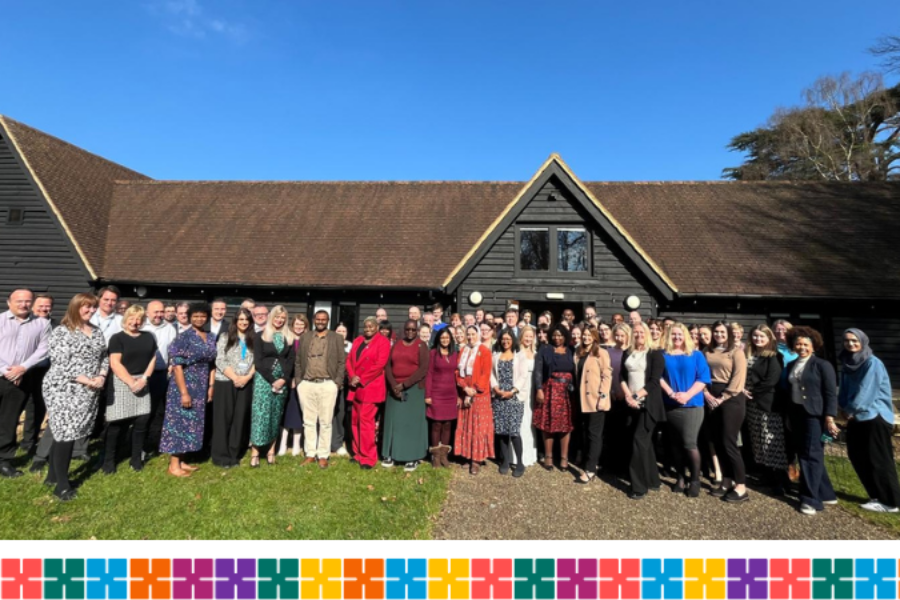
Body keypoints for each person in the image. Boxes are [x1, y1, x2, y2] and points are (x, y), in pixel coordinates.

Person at [41, 293, 108, 500]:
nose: (91, 310)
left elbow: (103, 356)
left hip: (88, 390)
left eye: (93, 307)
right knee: (66, 433)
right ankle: (61, 485)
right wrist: (87, 380)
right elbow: (61, 363)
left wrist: (102, 375)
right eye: (86, 307)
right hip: (64, 388)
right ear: (75, 307)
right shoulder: (62, 332)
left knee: (67, 431)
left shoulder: (96, 332)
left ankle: (52, 476)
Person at [838, 328, 900, 513]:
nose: (851, 344)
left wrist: (849, 410)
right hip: (856, 416)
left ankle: (891, 502)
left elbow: (867, 391)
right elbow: (844, 388)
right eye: (847, 340)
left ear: (863, 341)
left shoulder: (872, 363)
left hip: (875, 416)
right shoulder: (847, 362)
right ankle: (876, 495)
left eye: (854, 340)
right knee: (858, 456)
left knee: (878, 459)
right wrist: (842, 407)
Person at [785, 326, 839, 515]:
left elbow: (830, 393)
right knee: (807, 453)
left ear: (813, 346)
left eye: (806, 344)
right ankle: (826, 493)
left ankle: (810, 499)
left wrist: (830, 417)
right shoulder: (791, 365)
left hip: (815, 416)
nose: (802, 347)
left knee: (810, 455)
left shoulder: (823, 365)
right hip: (797, 414)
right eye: (798, 344)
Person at [160, 302, 217, 478]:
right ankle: (173, 464)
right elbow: (177, 367)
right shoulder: (183, 338)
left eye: (202, 315)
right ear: (190, 317)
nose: (199, 319)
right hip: (183, 385)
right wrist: (184, 392)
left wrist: (211, 386)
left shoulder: (211, 336)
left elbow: (212, 364)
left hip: (202, 385)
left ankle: (183, 460)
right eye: (195, 316)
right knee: (179, 424)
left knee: (192, 424)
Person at [0, 289, 51, 478]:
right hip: (2, 373)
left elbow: (43, 349)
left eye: (27, 301)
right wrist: (6, 370)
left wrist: (22, 368)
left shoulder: (41, 324)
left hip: (21, 378)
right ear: (9, 302)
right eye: (19, 301)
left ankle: (3, 460)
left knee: (9, 420)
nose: (24, 304)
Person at [104, 305, 157, 474]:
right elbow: (115, 363)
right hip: (122, 382)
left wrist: (144, 379)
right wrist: (130, 382)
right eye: (132, 318)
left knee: (141, 423)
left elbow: (153, 359)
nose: (135, 322)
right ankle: (109, 461)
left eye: (139, 319)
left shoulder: (149, 337)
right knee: (116, 424)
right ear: (125, 319)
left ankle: (136, 460)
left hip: (143, 381)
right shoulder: (117, 338)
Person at [660, 322, 711, 498]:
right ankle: (680, 477)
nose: (677, 337)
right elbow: (658, 376)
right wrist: (671, 393)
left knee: (689, 443)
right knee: (675, 444)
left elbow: (703, 378)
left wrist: (687, 395)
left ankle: (695, 479)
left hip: (693, 405)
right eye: (673, 334)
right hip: (671, 404)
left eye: (680, 334)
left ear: (686, 336)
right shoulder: (663, 354)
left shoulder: (696, 355)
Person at [702, 321, 749, 503]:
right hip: (710, 397)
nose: (719, 335)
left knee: (729, 442)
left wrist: (722, 397)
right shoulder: (707, 351)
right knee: (718, 442)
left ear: (728, 333)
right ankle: (727, 481)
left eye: (722, 332)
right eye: (716, 332)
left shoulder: (736, 352)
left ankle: (741, 486)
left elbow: (738, 378)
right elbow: (702, 373)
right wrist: (706, 394)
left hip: (731, 399)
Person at [621, 322, 667, 499]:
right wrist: (628, 395)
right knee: (645, 444)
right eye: (636, 332)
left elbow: (655, 381)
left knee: (639, 442)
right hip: (631, 403)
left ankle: (639, 486)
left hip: (648, 404)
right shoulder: (628, 352)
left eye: (642, 332)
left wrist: (636, 396)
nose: (639, 334)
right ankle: (653, 480)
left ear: (647, 334)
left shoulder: (655, 354)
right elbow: (622, 377)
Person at [296, 311, 346, 467]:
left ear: (328, 321)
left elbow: (341, 363)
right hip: (307, 384)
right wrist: (299, 382)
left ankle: (323, 454)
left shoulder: (336, 338)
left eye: (323, 319)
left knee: (325, 422)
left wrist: (336, 382)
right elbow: (298, 361)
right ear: (313, 320)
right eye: (318, 319)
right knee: (308, 422)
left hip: (327, 384)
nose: (320, 321)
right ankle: (310, 453)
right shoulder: (305, 337)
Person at [744, 324, 788, 493]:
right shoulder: (750, 354)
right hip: (751, 405)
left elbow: (771, 381)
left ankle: (780, 481)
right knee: (758, 440)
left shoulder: (774, 356)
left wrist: (753, 392)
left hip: (766, 404)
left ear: (769, 339)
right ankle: (766, 475)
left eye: (762, 336)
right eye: (755, 336)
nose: (758, 339)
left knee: (771, 440)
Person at [249, 306, 295, 467]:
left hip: (282, 381)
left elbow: (290, 361)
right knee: (260, 414)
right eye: (277, 316)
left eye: (282, 317)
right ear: (271, 317)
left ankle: (270, 451)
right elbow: (259, 361)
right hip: (263, 380)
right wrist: (271, 379)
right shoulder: (260, 335)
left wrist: (283, 379)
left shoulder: (289, 337)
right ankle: (255, 452)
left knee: (276, 415)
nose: (279, 320)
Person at [211, 308, 256, 468]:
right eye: (241, 319)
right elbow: (220, 360)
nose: (244, 322)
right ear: (235, 321)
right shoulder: (225, 337)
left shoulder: (254, 339)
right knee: (223, 419)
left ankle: (234, 453)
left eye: (246, 320)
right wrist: (235, 377)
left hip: (246, 382)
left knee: (240, 418)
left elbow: (257, 361)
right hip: (225, 382)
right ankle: (220, 456)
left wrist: (247, 377)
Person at [383, 319, 429, 471]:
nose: (410, 332)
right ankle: (390, 454)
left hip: (413, 389)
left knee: (411, 425)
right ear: (404, 329)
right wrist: (393, 384)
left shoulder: (422, 346)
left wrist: (404, 385)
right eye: (408, 329)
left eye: (413, 330)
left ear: (417, 331)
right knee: (393, 422)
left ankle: (411, 456)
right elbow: (388, 365)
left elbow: (423, 369)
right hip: (394, 388)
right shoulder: (396, 344)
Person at [346, 316, 390, 469]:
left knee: (366, 423)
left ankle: (368, 457)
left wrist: (361, 379)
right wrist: (352, 376)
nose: (368, 328)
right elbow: (349, 360)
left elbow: (379, 365)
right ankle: (357, 453)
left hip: (370, 387)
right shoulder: (358, 340)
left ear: (377, 327)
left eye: (372, 326)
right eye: (366, 326)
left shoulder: (383, 342)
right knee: (355, 420)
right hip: (356, 386)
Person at [533, 324, 576, 471]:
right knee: (548, 424)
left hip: (567, 393)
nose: (557, 338)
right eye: (555, 335)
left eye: (560, 335)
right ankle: (549, 456)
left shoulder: (571, 350)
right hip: (550, 390)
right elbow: (538, 370)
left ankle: (564, 458)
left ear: (565, 336)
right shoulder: (545, 349)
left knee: (566, 426)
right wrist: (539, 389)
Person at [573, 326, 612, 484]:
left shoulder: (601, 353)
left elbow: (607, 375)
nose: (586, 337)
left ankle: (591, 468)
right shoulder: (578, 352)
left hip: (596, 399)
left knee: (594, 434)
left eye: (589, 335)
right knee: (583, 431)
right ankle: (586, 460)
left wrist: (603, 396)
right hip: (581, 399)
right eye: (584, 335)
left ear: (595, 337)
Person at [455, 325, 494, 475]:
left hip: (479, 394)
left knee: (477, 426)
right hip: (466, 391)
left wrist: (473, 391)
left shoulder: (484, 351)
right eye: (468, 334)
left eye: (473, 334)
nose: (470, 337)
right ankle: (467, 455)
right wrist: (465, 388)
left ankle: (476, 459)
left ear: (478, 335)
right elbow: (458, 372)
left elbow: (485, 373)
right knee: (466, 424)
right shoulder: (463, 350)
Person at [140, 300, 176, 458]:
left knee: (154, 411)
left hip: (160, 375)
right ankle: (136, 446)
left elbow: (173, 351)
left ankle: (147, 445)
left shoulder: (169, 329)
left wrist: (172, 364)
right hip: (140, 375)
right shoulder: (141, 327)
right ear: (147, 312)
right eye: (155, 312)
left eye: (161, 311)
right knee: (141, 412)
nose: (159, 315)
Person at [19, 294, 54, 454]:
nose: (44, 308)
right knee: (16, 407)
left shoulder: (56, 325)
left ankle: (29, 442)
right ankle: (7, 441)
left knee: (38, 407)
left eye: (47, 306)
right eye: (40, 305)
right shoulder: (26, 324)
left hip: (44, 372)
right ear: (33, 307)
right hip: (24, 371)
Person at [490, 330, 526, 477]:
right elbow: (491, 374)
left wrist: (513, 390)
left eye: (508, 339)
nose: (505, 341)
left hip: (514, 398)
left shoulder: (520, 356)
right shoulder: (496, 356)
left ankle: (520, 463)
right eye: (503, 339)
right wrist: (495, 388)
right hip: (499, 398)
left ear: (513, 340)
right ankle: (504, 461)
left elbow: (523, 376)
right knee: (502, 432)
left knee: (515, 432)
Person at [426, 328, 459, 468]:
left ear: (450, 339)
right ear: (438, 339)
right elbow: (429, 374)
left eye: (447, 337)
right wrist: (428, 395)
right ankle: (435, 456)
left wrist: (458, 395)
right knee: (436, 424)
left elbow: (457, 375)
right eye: (442, 338)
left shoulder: (455, 354)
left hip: (451, 394)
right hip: (436, 393)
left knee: (447, 424)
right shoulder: (433, 353)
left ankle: (444, 456)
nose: (445, 340)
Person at [279, 315, 309, 456]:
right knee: (285, 412)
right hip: (286, 380)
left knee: (298, 412)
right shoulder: (287, 339)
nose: (299, 327)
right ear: (292, 325)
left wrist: (298, 378)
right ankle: (283, 443)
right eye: (297, 324)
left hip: (302, 380)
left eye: (302, 324)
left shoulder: (308, 340)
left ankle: (297, 444)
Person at [516, 326, 538, 468]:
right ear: (522, 337)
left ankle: (530, 454)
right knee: (520, 420)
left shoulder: (536, 354)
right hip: (520, 389)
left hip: (532, 390)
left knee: (530, 421)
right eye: (526, 336)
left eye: (531, 336)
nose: (528, 339)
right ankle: (518, 455)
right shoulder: (517, 353)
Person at [331, 321, 352, 456]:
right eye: (339, 331)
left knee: (341, 413)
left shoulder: (352, 347)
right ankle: (332, 443)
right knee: (332, 414)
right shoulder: (329, 346)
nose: (341, 333)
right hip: (331, 384)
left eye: (343, 331)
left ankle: (340, 441)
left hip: (347, 386)